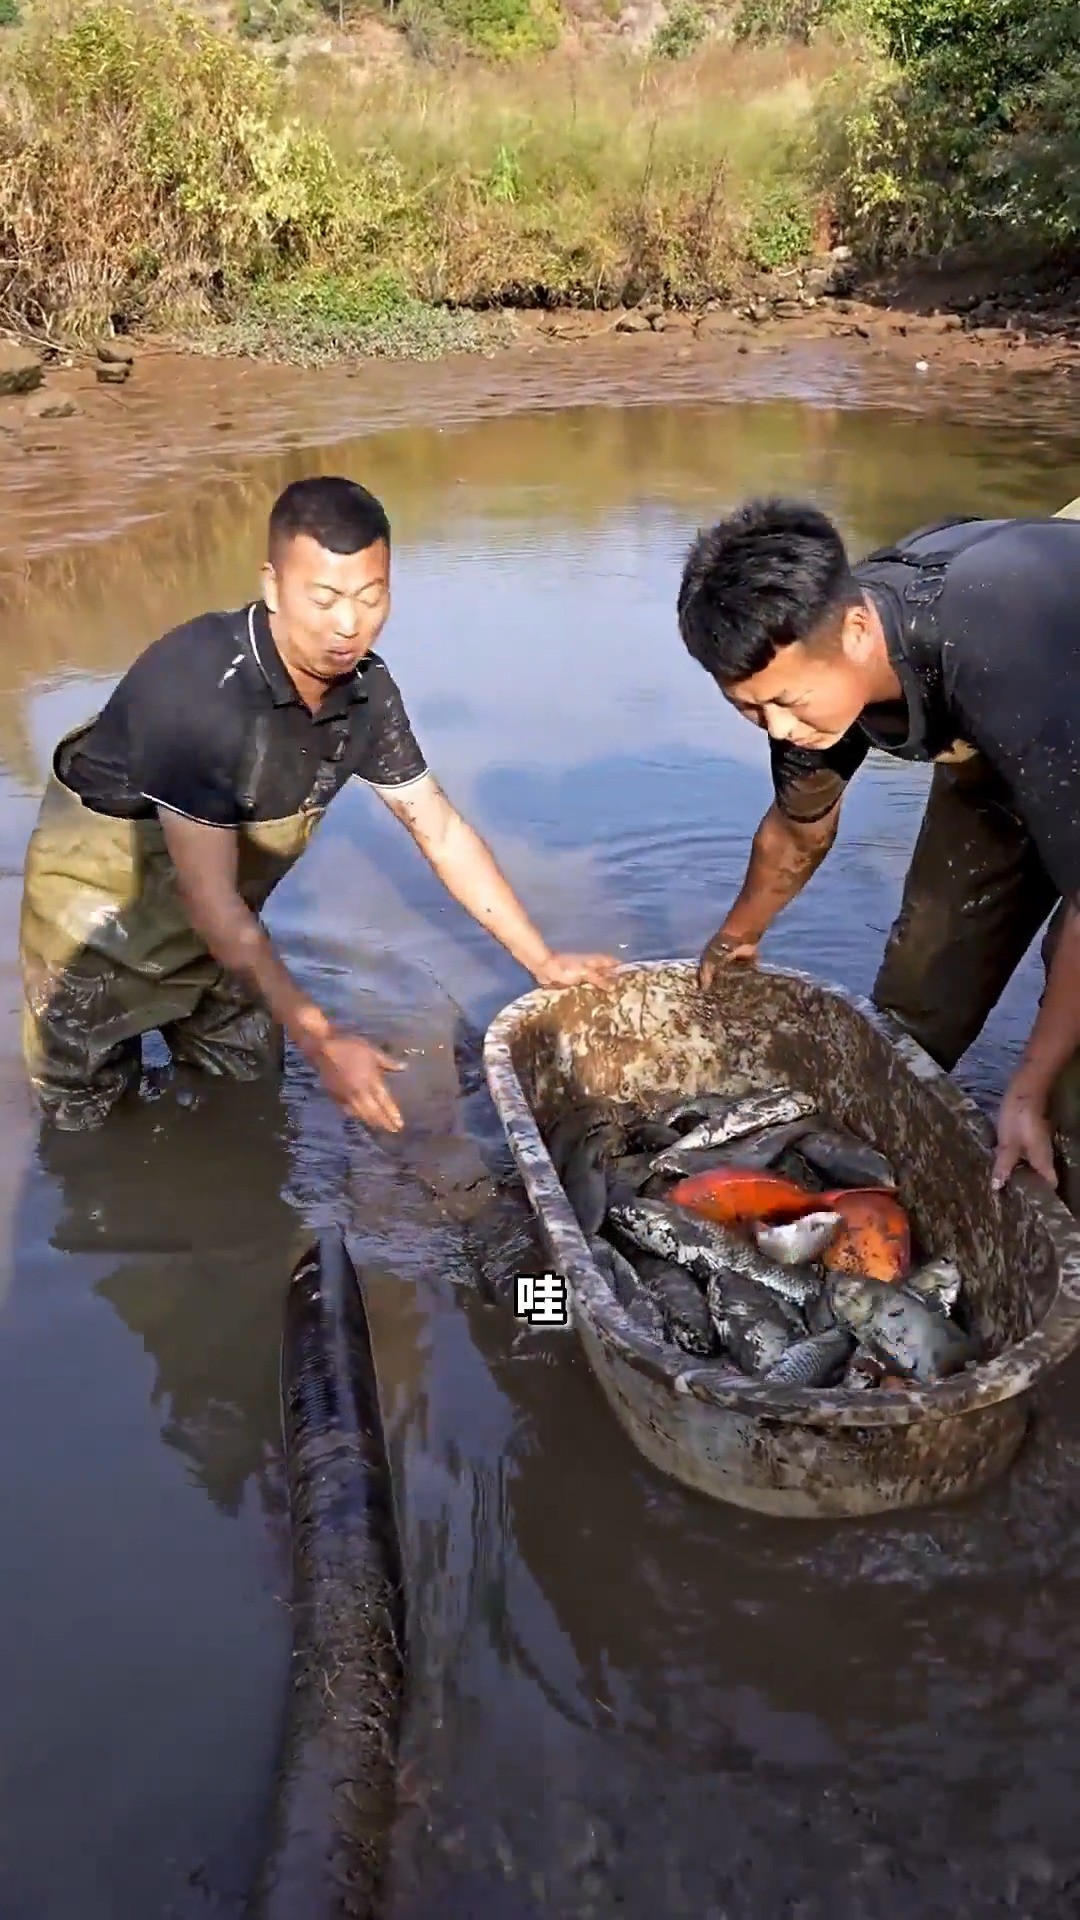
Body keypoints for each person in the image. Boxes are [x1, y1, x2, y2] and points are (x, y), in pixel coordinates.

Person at [19, 475, 617, 1133]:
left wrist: (540, 960)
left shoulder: (366, 694)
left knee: (250, 1097)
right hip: (98, 913)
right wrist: (323, 1039)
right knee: (85, 1126)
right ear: (273, 586)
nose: (348, 625)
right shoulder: (199, 693)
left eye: (370, 597)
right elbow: (209, 901)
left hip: (224, 925)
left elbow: (439, 830)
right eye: (325, 598)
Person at [674, 494, 1080, 1211]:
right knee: (917, 1000)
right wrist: (739, 935)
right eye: (749, 707)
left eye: (787, 703)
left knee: (1066, 1089)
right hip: (1005, 734)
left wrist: (1028, 1086)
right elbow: (800, 828)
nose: (776, 727)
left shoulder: (995, 643)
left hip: (1050, 667)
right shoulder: (808, 664)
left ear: (859, 629)